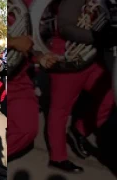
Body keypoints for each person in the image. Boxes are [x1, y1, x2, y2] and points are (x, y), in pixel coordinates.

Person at [45, 0, 115, 172]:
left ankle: (79, 131)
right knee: (60, 111)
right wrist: (97, 37)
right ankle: (58, 157)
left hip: (90, 59)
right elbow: (65, 28)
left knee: (110, 95)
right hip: (67, 60)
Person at [8, 0, 58, 162]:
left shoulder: (22, 7)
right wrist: (13, 42)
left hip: (19, 77)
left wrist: (40, 58)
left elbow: (27, 44)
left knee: (26, 130)